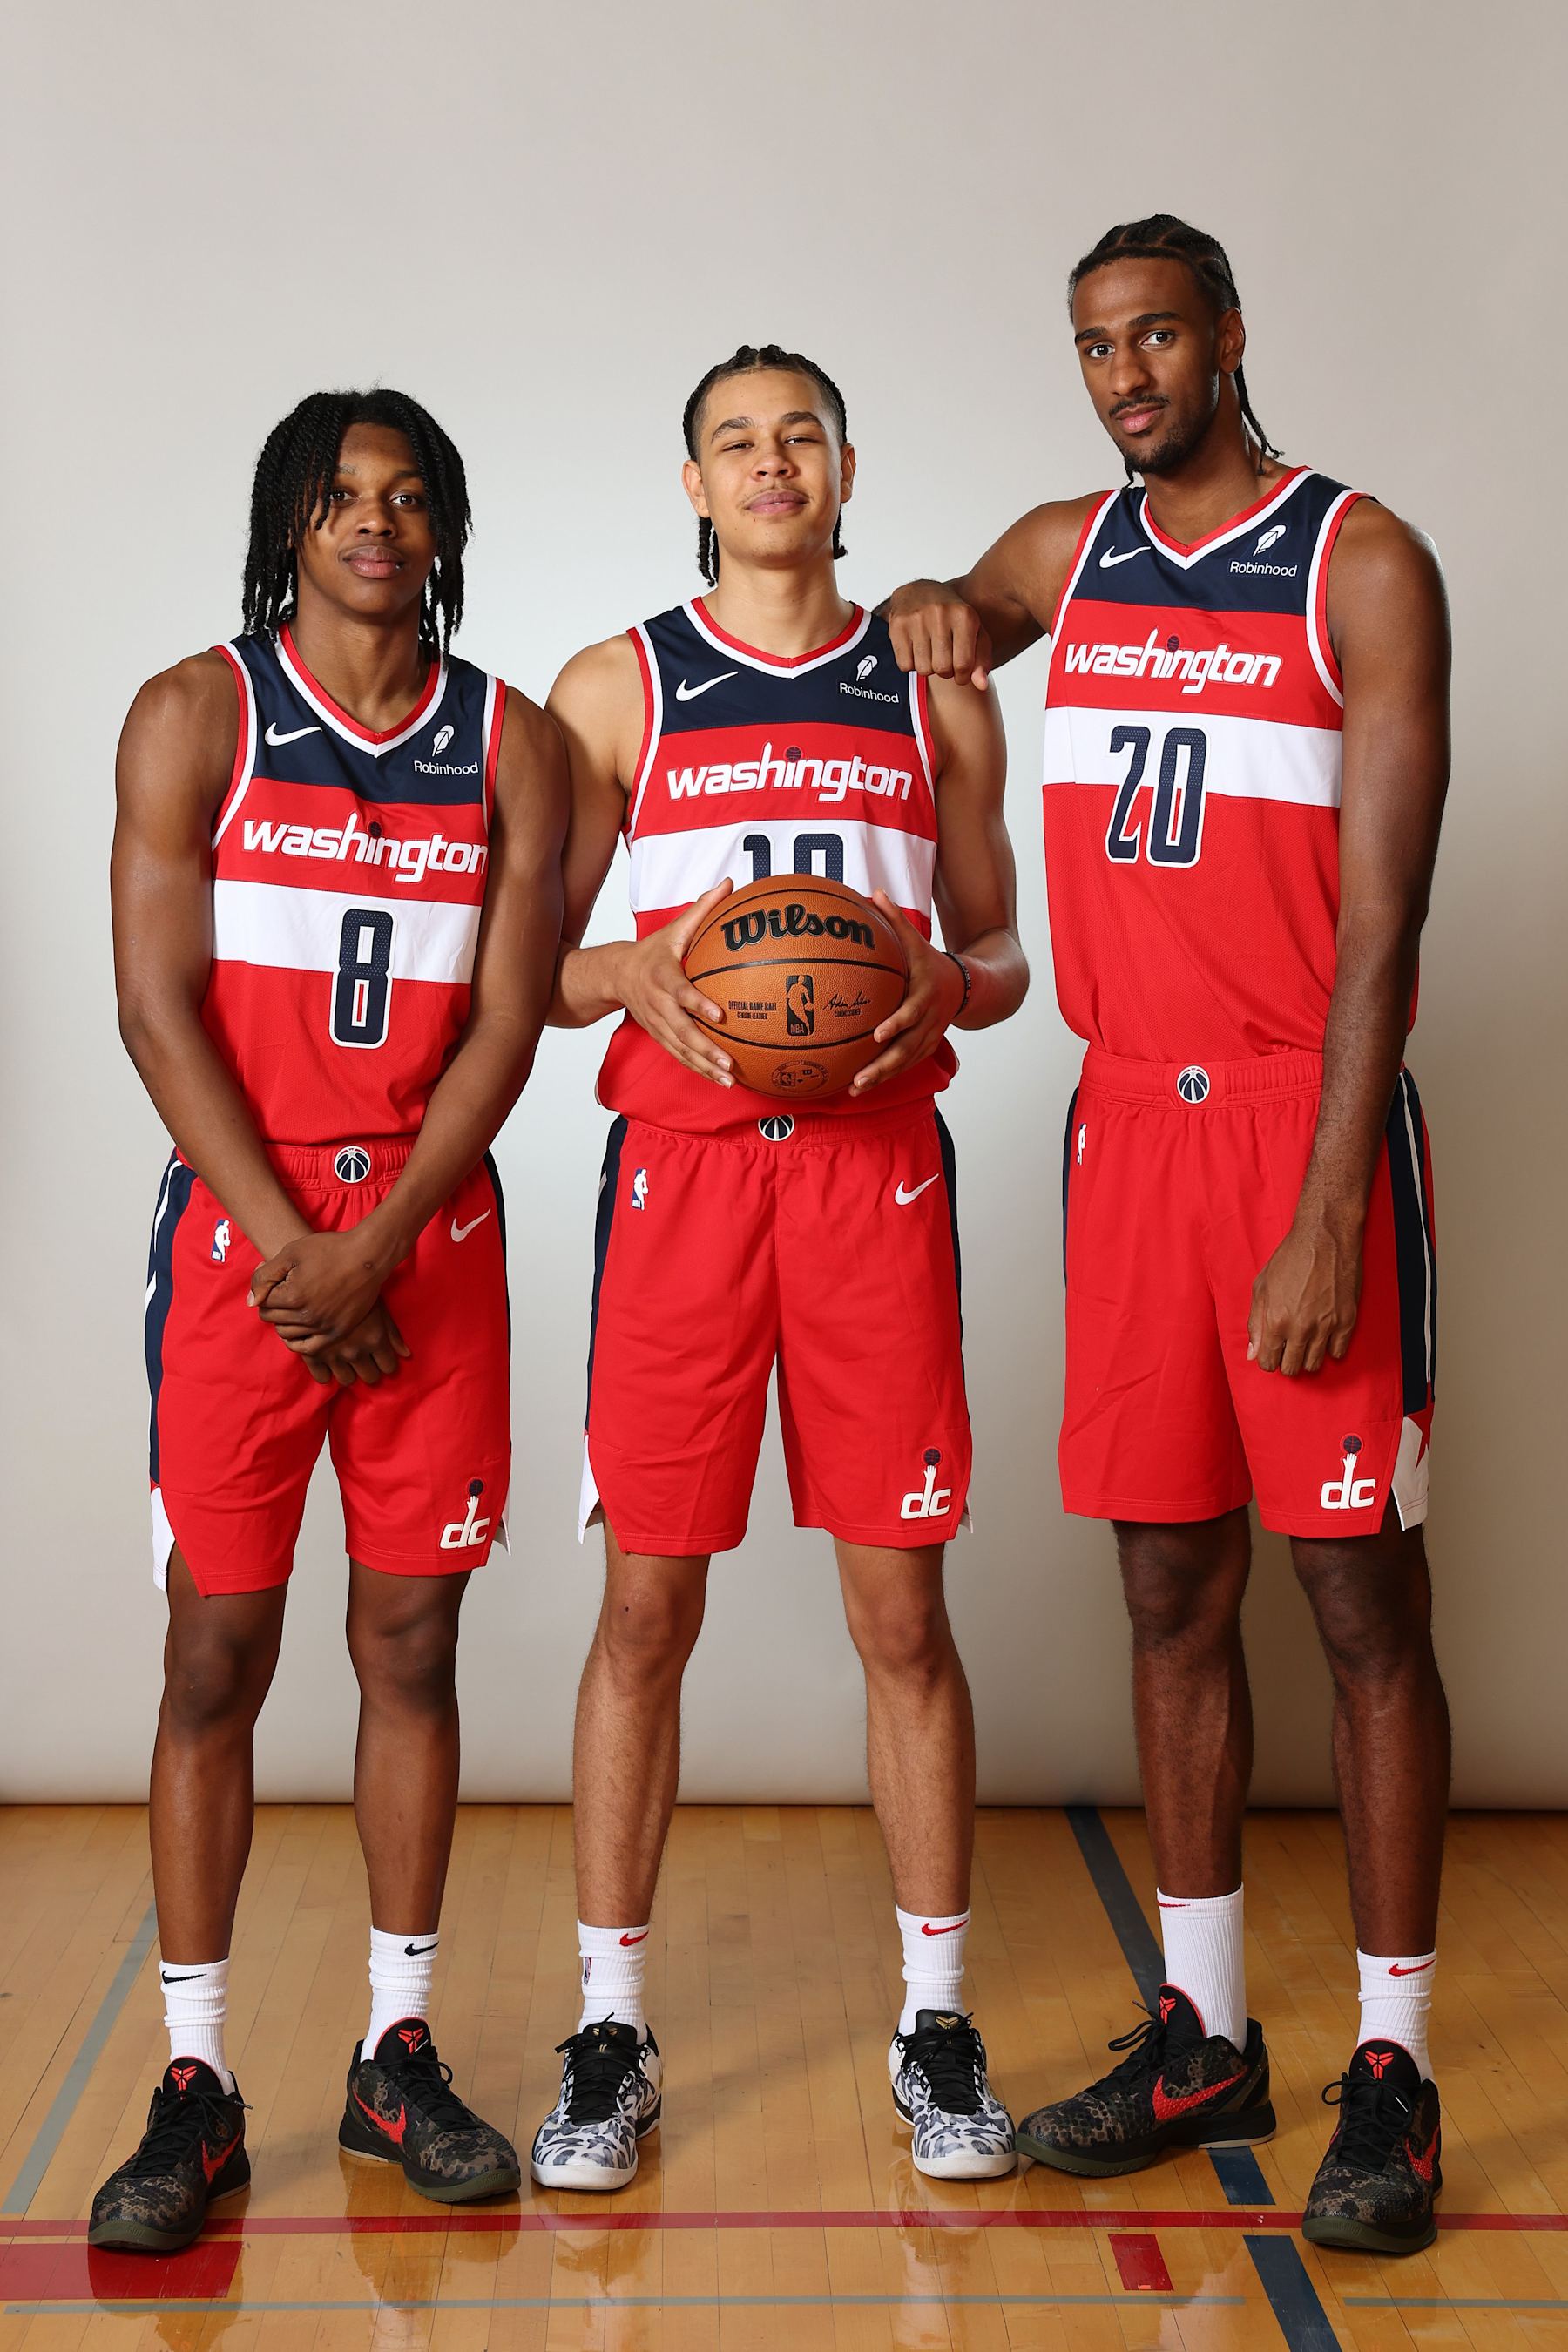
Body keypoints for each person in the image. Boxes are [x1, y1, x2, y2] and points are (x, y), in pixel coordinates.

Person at [888, 218, 1450, 2256]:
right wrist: (939, 605)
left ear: (1228, 335)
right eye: (1092, 348)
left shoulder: (1360, 562)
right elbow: (951, 604)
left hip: (1303, 1131)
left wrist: (1325, 1212)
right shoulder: (1079, 545)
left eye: (1153, 337)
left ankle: (1393, 2063)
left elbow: (1385, 930)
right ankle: (1201, 2029)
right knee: (1164, 1594)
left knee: (1361, 1606)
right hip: (1126, 1134)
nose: (1125, 376)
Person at [531, 343, 1030, 2192]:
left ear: (842, 468)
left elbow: (1000, 947)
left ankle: (936, 2020)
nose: (769, 464)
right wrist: (634, 975)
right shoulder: (619, 687)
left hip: (876, 1178)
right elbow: (541, 960)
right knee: (647, 1616)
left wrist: (940, 987)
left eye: (798, 435)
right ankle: (609, 2025)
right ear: (691, 483)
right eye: (735, 441)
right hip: (681, 1181)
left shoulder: (936, 691)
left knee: (902, 1616)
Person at [94, 389, 566, 2250]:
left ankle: (397, 2051)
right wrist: (305, 1247)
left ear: (443, 526)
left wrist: (381, 1248)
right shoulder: (192, 715)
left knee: (411, 1647)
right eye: (337, 497)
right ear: (287, 525)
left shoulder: (509, 744)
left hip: (426, 1237)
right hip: (244, 1238)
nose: (373, 523)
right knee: (216, 1661)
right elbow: (157, 1010)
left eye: (405, 496)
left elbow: (511, 1021)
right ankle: (196, 2081)